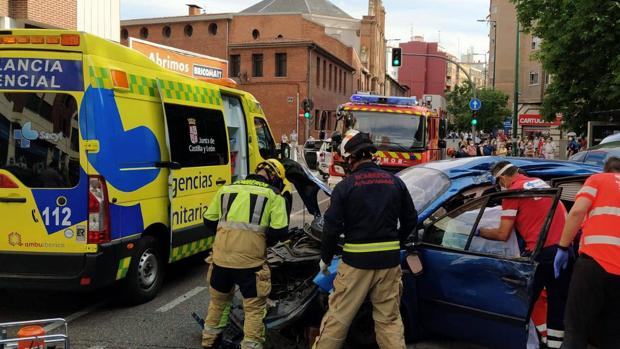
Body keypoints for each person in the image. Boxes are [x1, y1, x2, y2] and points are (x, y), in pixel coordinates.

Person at [313, 130, 417, 349]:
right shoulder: (395, 183)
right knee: (389, 321)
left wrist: (325, 257)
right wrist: (395, 242)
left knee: (338, 319)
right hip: (389, 263)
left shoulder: (345, 187)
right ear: (371, 155)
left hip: (356, 263)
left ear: (350, 159)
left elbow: (331, 228)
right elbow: (410, 220)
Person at [479, 161, 571, 349]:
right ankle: (554, 345)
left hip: (541, 253)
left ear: (502, 178)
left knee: (522, 303)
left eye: (498, 182)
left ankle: (521, 341)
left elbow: (503, 234)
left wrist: (479, 231)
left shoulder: (512, 193)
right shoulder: (538, 182)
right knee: (557, 303)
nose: (499, 186)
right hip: (563, 251)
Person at [201, 159, 289, 349]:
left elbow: (209, 221)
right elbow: (279, 231)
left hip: (220, 261)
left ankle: (209, 342)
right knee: (254, 310)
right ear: (274, 177)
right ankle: (250, 345)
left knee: (217, 304)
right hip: (251, 265)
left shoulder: (227, 190)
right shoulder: (274, 196)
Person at [554, 157, 620, 349]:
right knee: (614, 334)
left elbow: (576, 212)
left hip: (594, 264)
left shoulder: (597, 180)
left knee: (576, 330)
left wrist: (563, 247)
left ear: (605, 170)